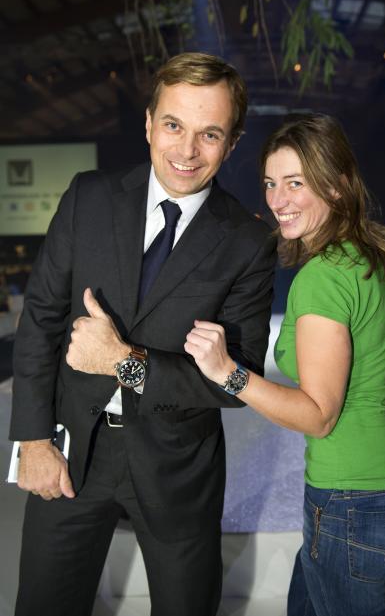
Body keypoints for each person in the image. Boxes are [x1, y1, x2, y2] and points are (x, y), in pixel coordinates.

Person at [9, 52, 276, 616]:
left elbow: (235, 380)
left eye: (210, 134)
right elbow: (40, 318)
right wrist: (33, 441)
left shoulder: (247, 243)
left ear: (230, 144)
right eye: (174, 125)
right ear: (150, 121)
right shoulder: (89, 197)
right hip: (72, 451)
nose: (186, 150)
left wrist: (123, 361)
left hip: (179, 466)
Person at [184, 113, 385, 616]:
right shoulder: (372, 256)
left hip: (351, 499)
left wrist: (227, 374)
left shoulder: (321, 279)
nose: (278, 200)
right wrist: (366, 392)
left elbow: (319, 416)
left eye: (295, 183)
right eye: (271, 184)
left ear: (338, 186)